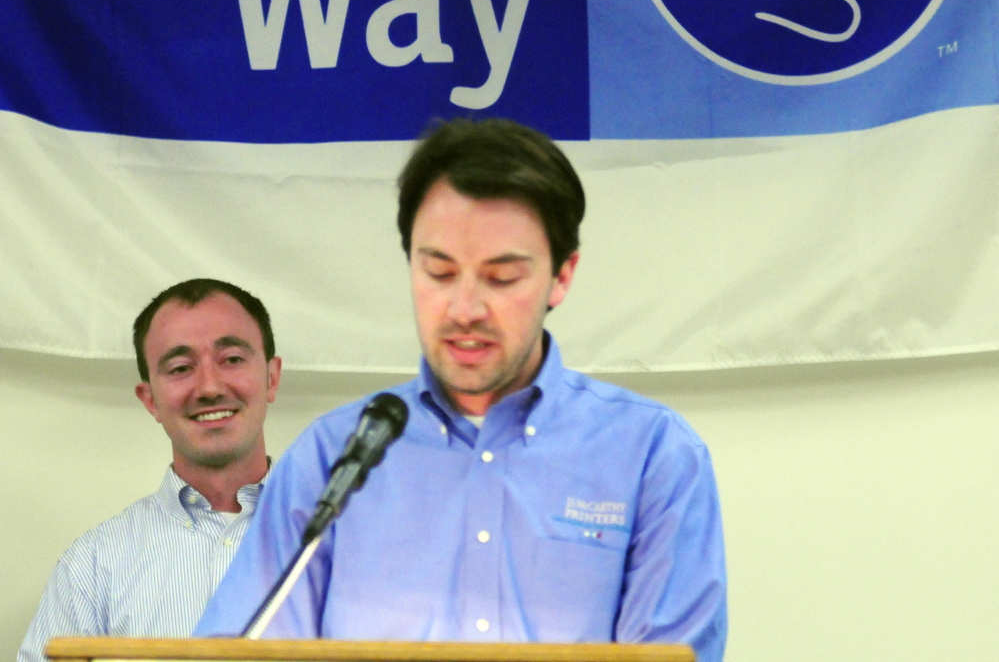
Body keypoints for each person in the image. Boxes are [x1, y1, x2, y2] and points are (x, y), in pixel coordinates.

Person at [197, 119, 727, 660]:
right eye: (440, 273)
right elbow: (238, 650)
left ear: (562, 276)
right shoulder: (332, 455)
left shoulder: (652, 454)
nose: (466, 310)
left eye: (501, 278)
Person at [18, 279, 282, 662]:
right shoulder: (93, 567)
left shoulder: (353, 545)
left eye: (233, 359)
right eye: (180, 367)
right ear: (150, 400)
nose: (209, 387)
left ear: (271, 378)